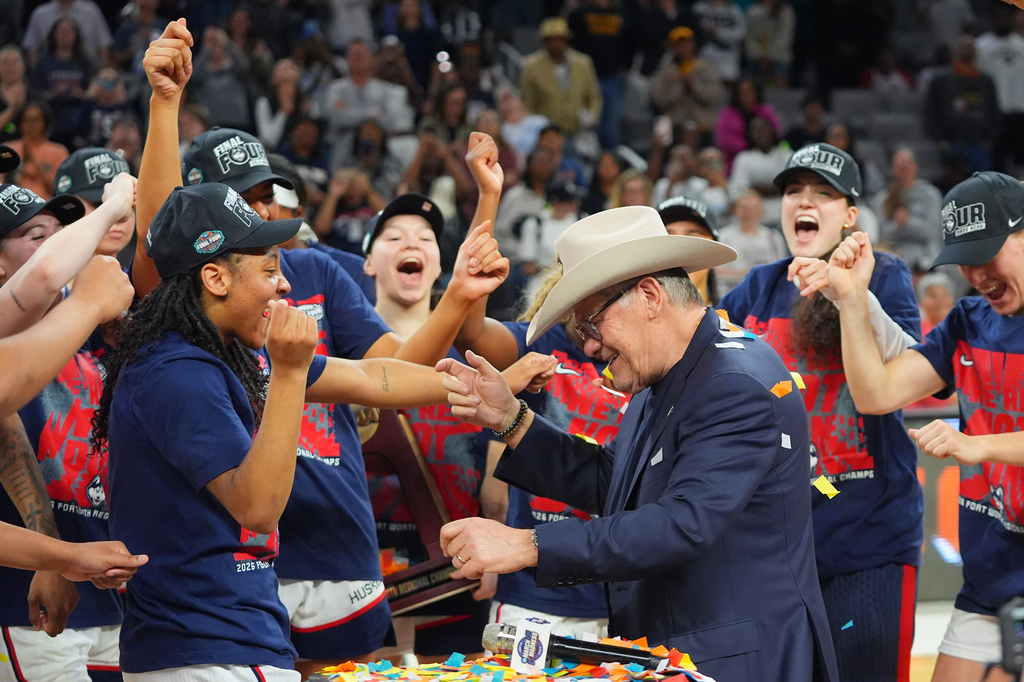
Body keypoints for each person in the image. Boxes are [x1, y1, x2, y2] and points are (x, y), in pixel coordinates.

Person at [133, 21, 527, 677]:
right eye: (241, 201)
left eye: (267, 196)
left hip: (315, 552)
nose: (261, 213)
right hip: (218, 592)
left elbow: (382, 374)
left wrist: (478, 368)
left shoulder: (299, 280)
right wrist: (165, 105)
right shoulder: (182, 348)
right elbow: (163, 238)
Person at [92, 182, 489, 681]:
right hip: (204, 651)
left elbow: (373, 376)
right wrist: (287, 373)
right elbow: (258, 508)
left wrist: (475, 387)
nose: (284, 286)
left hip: (223, 639)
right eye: (270, 269)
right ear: (215, 278)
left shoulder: (219, 354)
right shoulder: (177, 372)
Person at [435, 204, 839, 682]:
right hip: (689, 650)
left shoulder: (735, 381)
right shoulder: (669, 370)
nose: (587, 346)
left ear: (649, 295)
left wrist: (529, 544)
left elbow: (681, 524)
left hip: (740, 660)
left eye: (591, 324)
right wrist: (511, 419)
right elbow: (619, 483)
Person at [719, 143, 924, 682]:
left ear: (850, 216)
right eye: (793, 192)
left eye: (823, 194)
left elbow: (914, 371)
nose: (803, 202)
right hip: (776, 548)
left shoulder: (887, 276)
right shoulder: (759, 288)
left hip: (869, 543)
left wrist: (849, 293)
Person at [826, 171, 1024, 682]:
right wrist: (851, 299)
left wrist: (979, 446)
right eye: (967, 259)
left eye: (989, 253)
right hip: (992, 575)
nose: (977, 274)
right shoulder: (967, 320)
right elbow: (876, 394)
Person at [0, 172, 136, 680]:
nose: (59, 247)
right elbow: (43, 276)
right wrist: (114, 203)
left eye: (62, 231)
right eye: (39, 235)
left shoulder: (88, 343)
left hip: (103, 593)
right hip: (25, 605)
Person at [518, 17, 602, 140]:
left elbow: (594, 96)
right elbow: (527, 103)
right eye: (551, 40)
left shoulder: (583, 63)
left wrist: (591, 115)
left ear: (566, 40)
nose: (555, 45)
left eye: (559, 40)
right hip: (547, 133)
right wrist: (537, 124)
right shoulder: (531, 67)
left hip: (579, 131)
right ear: (544, 42)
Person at [716, 189, 789, 295]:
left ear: (761, 210)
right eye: (744, 208)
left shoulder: (773, 237)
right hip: (733, 294)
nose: (749, 213)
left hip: (765, 294)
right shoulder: (724, 236)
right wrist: (748, 273)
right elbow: (715, 272)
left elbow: (782, 269)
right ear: (736, 210)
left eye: (753, 208)